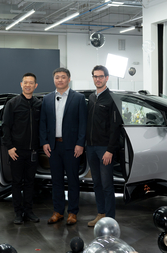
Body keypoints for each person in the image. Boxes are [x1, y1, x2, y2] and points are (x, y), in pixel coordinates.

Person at [40, 67, 87, 225]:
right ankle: (58, 211)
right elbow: (43, 123)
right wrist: (45, 142)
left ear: (69, 79)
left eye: (63, 77)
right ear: (54, 80)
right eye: (57, 77)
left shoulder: (78, 98)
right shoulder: (46, 99)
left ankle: (72, 213)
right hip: (53, 147)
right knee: (56, 181)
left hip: (72, 147)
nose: (60, 80)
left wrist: (80, 143)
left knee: (73, 181)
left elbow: (83, 124)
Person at [1, 72, 42, 225]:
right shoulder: (13, 103)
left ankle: (29, 211)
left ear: (35, 86)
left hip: (32, 151)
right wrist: (10, 147)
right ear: (21, 84)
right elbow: (5, 127)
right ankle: (18, 213)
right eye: (25, 82)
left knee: (31, 182)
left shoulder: (39, 104)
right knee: (17, 183)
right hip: (16, 152)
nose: (28, 85)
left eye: (31, 83)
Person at [86, 65, 122, 227]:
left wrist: (109, 150)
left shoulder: (112, 98)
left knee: (107, 184)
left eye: (101, 76)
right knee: (97, 183)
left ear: (107, 78)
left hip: (104, 149)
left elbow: (116, 127)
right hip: (91, 148)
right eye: (95, 76)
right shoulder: (92, 98)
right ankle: (101, 214)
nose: (97, 79)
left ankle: (110, 218)